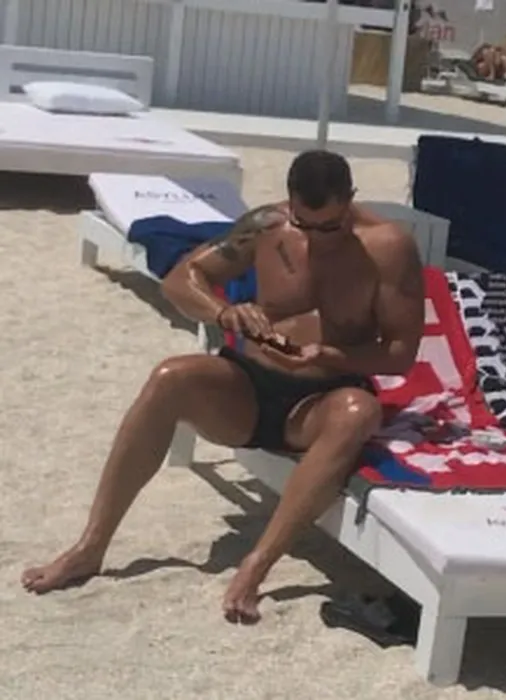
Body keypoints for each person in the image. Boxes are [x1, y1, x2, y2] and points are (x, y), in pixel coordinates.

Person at [21, 150, 426, 623]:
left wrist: (332, 356)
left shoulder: (388, 247)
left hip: (321, 400)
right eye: (306, 225)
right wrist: (224, 313)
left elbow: (400, 353)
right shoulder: (267, 226)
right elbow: (182, 279)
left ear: (350, 199)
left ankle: (258, 564)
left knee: (359, 412)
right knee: (170, 377)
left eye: (331, 226)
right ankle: (90, 546)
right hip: (248, 389)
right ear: (291, 202)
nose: (318, 239)